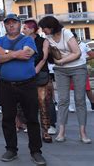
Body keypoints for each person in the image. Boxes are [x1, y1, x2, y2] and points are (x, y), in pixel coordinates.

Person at [0, 13, 46, 165]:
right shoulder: (0, 40)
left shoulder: (27, 39)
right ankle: (11, 149)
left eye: (14, 23)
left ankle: (36, 151)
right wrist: (16, 53)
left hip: (27, 84)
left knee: (31, 119)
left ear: (19, 24)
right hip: (6, 85)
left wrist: (7, 53)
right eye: (8, 23)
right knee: (8, 118)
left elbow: (27, 54)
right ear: (5, 25)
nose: (11, 25)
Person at [38, 15, 90, 144]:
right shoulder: (48, 38)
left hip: (78, 68)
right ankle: (61, 132)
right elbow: (45, 55)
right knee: (62, 100)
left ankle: (83, 133)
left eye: (44, 28)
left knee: (80, 100)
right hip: (61, 70)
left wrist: (61, 61)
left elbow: (77, 52)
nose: (43, 31)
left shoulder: (66, 34)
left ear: (51, 27)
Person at [22, 19, 53, 143]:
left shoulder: (43, 41)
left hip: (40, 74)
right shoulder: (23, 41)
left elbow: (44, 58)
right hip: (26, 76)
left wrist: (35, 70)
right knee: (29, 104)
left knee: (43, 103)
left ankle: (45, 131)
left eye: (25, 28)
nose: (23, 30)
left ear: (32, 29)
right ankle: (32, 128)